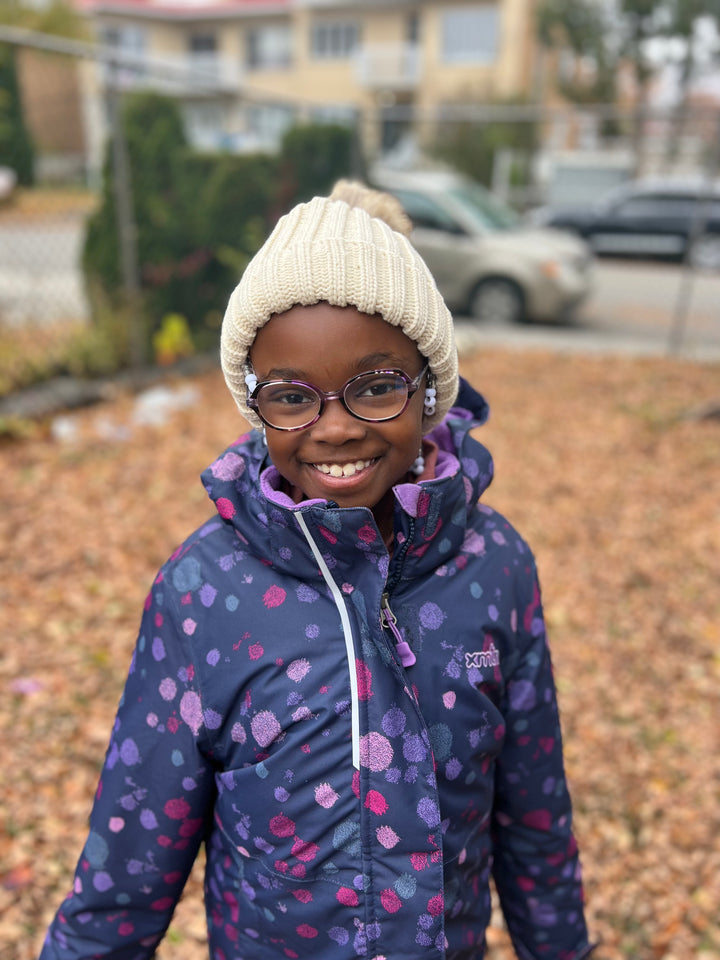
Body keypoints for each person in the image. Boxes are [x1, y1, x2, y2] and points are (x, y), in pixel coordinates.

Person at [40, 180, 594, 960]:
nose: (334, 428)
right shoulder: (203, 593)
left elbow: (536, 820)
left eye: (374, 386)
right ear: (254, 403)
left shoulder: (494, 566)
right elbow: (131, 858)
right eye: (292, 397)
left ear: (428, 387)